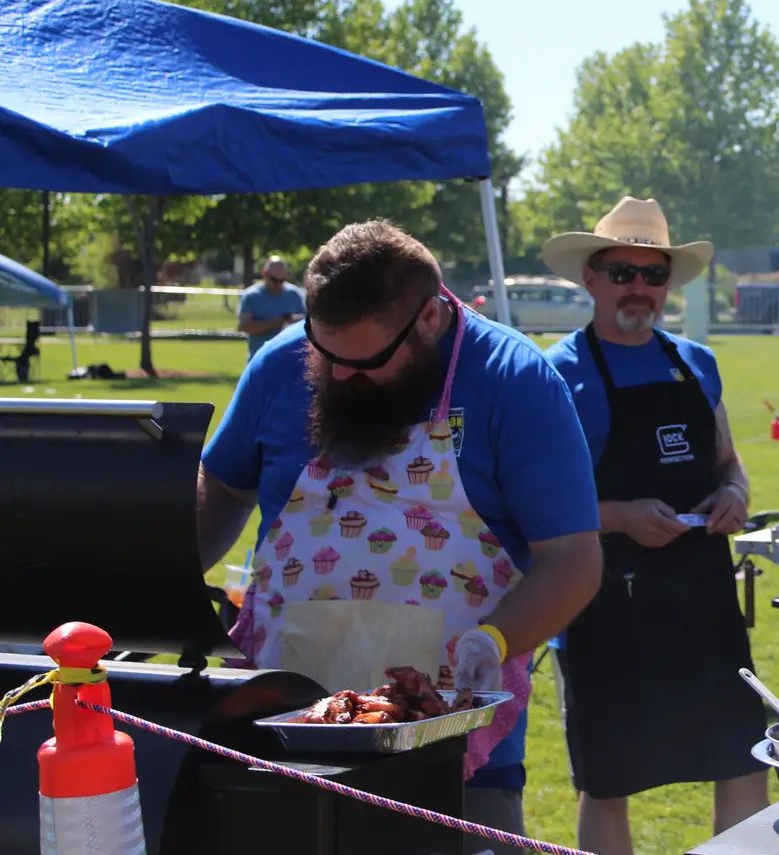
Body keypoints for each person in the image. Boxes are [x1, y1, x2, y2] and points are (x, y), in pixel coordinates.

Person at [196, 221, 603, 853]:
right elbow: (222, 490)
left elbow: (573, 559)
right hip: (283, 730)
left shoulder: (513, 380)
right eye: (325, 353)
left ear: (434, 318)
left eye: (367, 361)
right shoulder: (279, 367)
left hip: (448, 742)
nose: (342, 376)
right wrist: (167, 577)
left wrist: (492, 640)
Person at [541, 196, 767, 855]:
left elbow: (729, 461)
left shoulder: (696, 362)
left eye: (654, 274)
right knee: (607, 779)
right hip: (604, 602)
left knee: (743, 758)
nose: (639, 288)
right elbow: (541, 506)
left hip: (703, 598)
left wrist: (733, 494)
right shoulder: (560, 374)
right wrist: (621, 518)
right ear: (589, 277)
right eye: (622, 272)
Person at [238, 255, 306, 359]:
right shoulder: (251, 296)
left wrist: (291, 319)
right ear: (264, 274)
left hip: (289, 359)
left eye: (282, 280)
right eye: (274, 280)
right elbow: (243, 326)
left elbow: (307, 321)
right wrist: (271, 323)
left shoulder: (294, 294)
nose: (278, 285)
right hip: (259, 359)